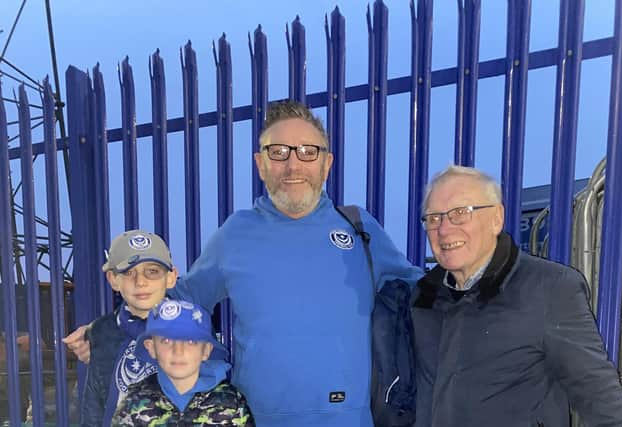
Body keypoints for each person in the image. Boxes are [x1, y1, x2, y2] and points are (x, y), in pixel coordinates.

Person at [66, 100, 424, 427]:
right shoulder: (235, 234)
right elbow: (176, 301)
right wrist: (106, 333)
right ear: (261, 163)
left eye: (308, 152)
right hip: (256, 418)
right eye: (279, 152)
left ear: (327, 163)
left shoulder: (358, 228)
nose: (293, 164)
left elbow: (423, 294)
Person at [412, 165, 622, 426]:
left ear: (496, 218)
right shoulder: (423, 298)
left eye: (460, 213)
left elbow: (599, 397)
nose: (444, 229)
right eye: (434, 218)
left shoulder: (550, 289)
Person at [79, 229, 178, 427]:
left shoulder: (191, 327)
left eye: (152, 271)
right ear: (113, 280)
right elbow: (94, 400)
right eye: (128, 272)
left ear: (171, 277)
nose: (140, 282)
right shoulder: (101, 330)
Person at [111, 299, 254, 426]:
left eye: (190, 341)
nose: (178, 351)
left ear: (206, 350)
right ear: (152, 348)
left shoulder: (231, 404)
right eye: (166, 341)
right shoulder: (133, 404)